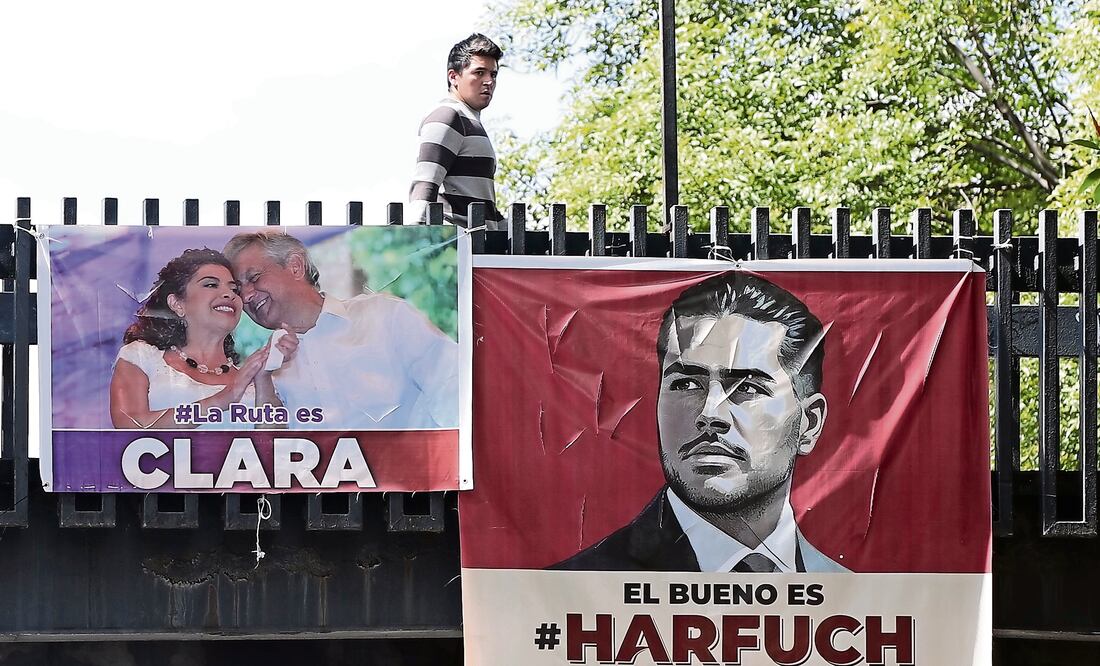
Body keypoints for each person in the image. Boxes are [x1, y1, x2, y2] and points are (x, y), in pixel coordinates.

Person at [555, 272, 848, 573]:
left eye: (747, 388)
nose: (710, 414)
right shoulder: (575, 588)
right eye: (687, 385)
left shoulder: (857, 597)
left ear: (809, 424)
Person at [222, 230, 459, 430]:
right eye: (238, 289)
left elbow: (454, 390)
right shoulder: (263, 371)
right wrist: (263, 380)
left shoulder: (384, 316)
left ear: (295, 266)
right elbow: (269, 460)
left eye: (253, 278)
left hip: (416, 480)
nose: (247, 295)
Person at [109, 248, 294, 430]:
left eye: (234, 289)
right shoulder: (141, 355)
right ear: (177, 304)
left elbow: (273, 450)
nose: (230, 294)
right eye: (211, 285)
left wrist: (262, 378)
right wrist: (224, 398)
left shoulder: (252, 379)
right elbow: (129, 426)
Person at [408, 33, 504, 228]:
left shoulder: (468, 120)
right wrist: (414, 240)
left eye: (493, 74)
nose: (489, 81)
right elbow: (426, 183)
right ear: (454, 77)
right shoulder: (448, 115)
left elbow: (483, 203)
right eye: (479, 73)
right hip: (455, 246)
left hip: (476, 245)